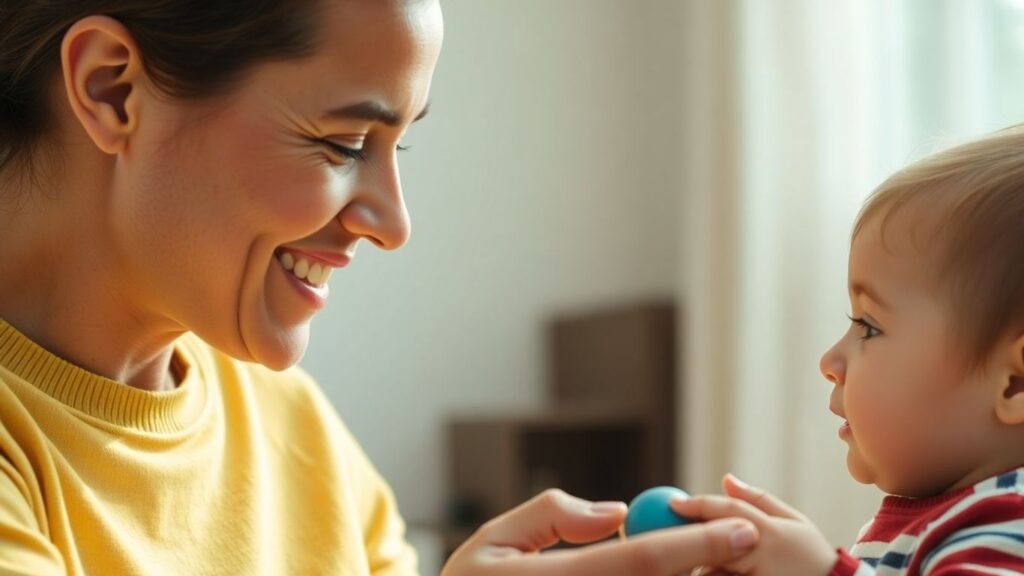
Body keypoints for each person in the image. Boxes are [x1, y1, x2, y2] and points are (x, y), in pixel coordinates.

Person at [0, 2, 759, 574]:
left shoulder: (296, 431)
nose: (393, 224)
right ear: (111, 89)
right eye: (343, 142)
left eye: (399, 145)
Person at [674, 125, 1024, 575]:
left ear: (1015, 385)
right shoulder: (957, 523)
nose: (829, 362)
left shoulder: (1008, 526)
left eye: (869, 326)